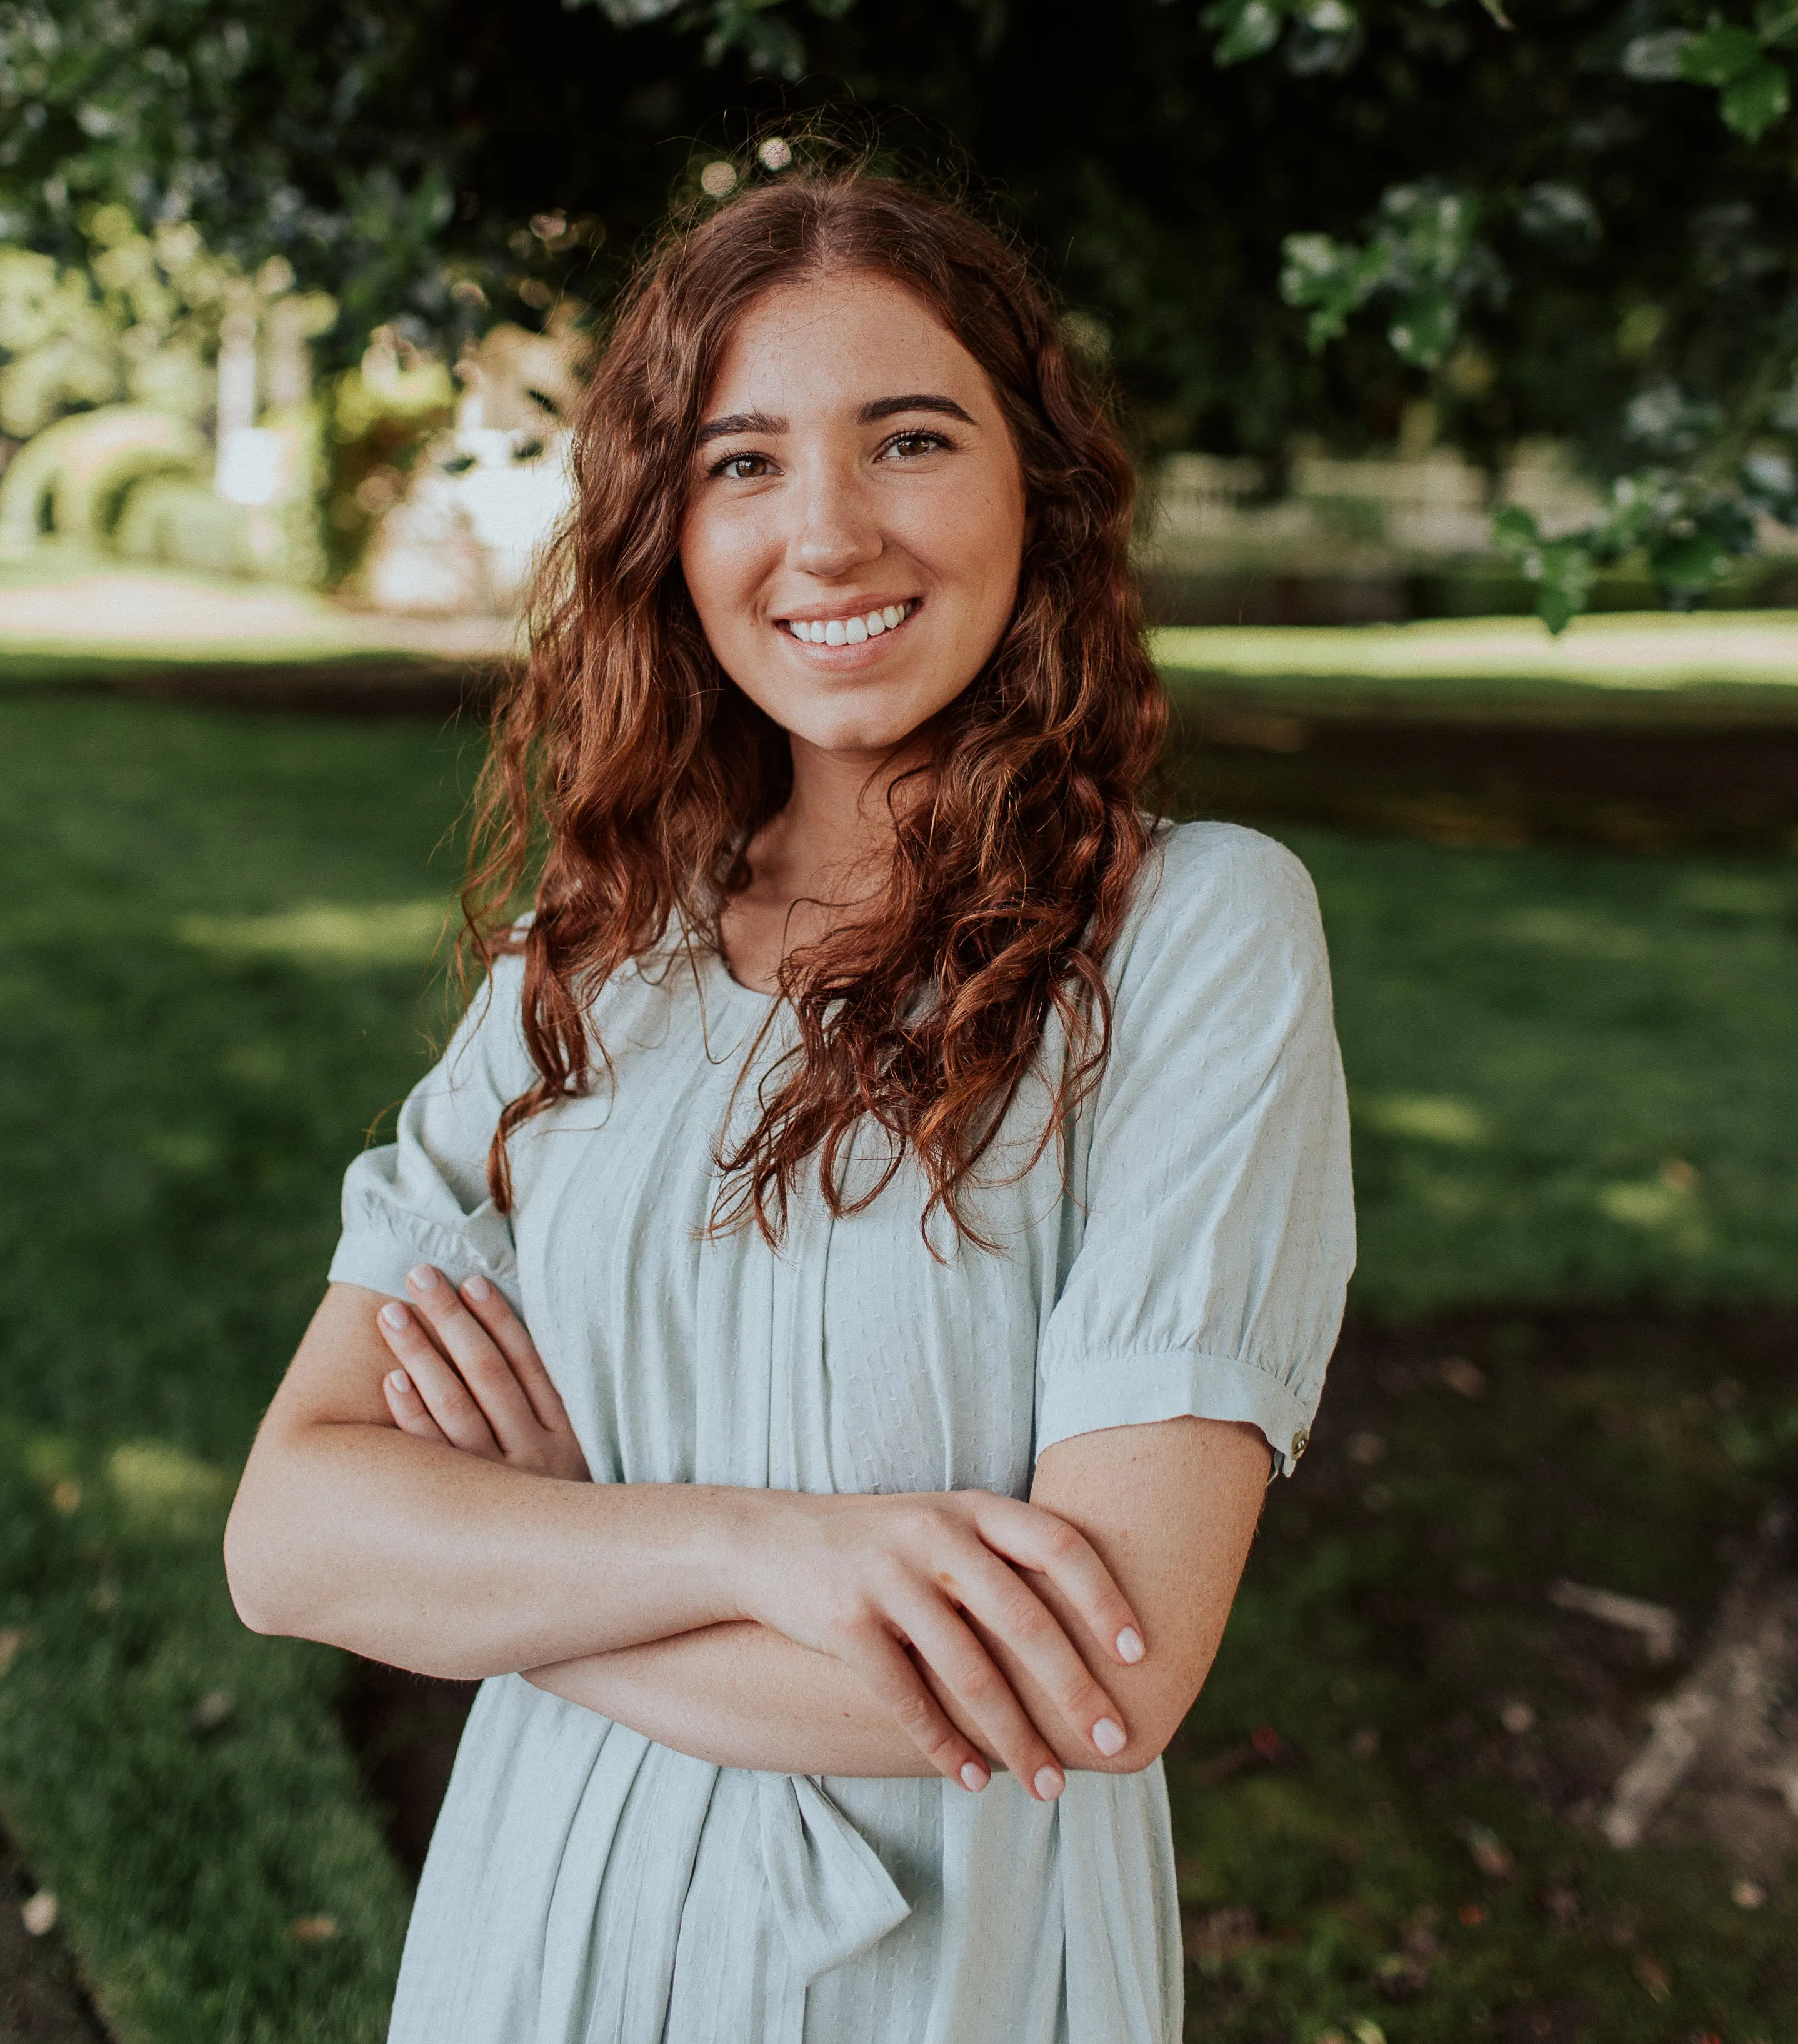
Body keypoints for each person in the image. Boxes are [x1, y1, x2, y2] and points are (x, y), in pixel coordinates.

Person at [224, 152, 1356, 2044]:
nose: (825, 534)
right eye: (743, 460)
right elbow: (290, 1536)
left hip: (954, 1972)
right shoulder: (585, 962)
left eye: (908, 437)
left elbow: (1097, 1673)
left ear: (1037, 492)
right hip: (536, 1944)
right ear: (666, 525)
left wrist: (521, 1562)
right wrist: (768, 1549)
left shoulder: (1194, 937)